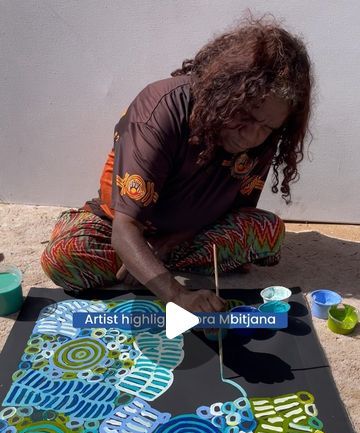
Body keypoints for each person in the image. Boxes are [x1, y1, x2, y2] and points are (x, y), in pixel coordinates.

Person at [41, 15, 312, 313]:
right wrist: (178, 296)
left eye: (266, 127)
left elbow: (233, 212)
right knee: (63, 258)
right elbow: (124, 227)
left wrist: (168, 244)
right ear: (223, 95)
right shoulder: (160, 111)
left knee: (267, 232)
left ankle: (144, 263)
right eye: (244, 117)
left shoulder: (265, 134)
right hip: (119, 225)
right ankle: (133, 255)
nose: (251, 136)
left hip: (186, 233)